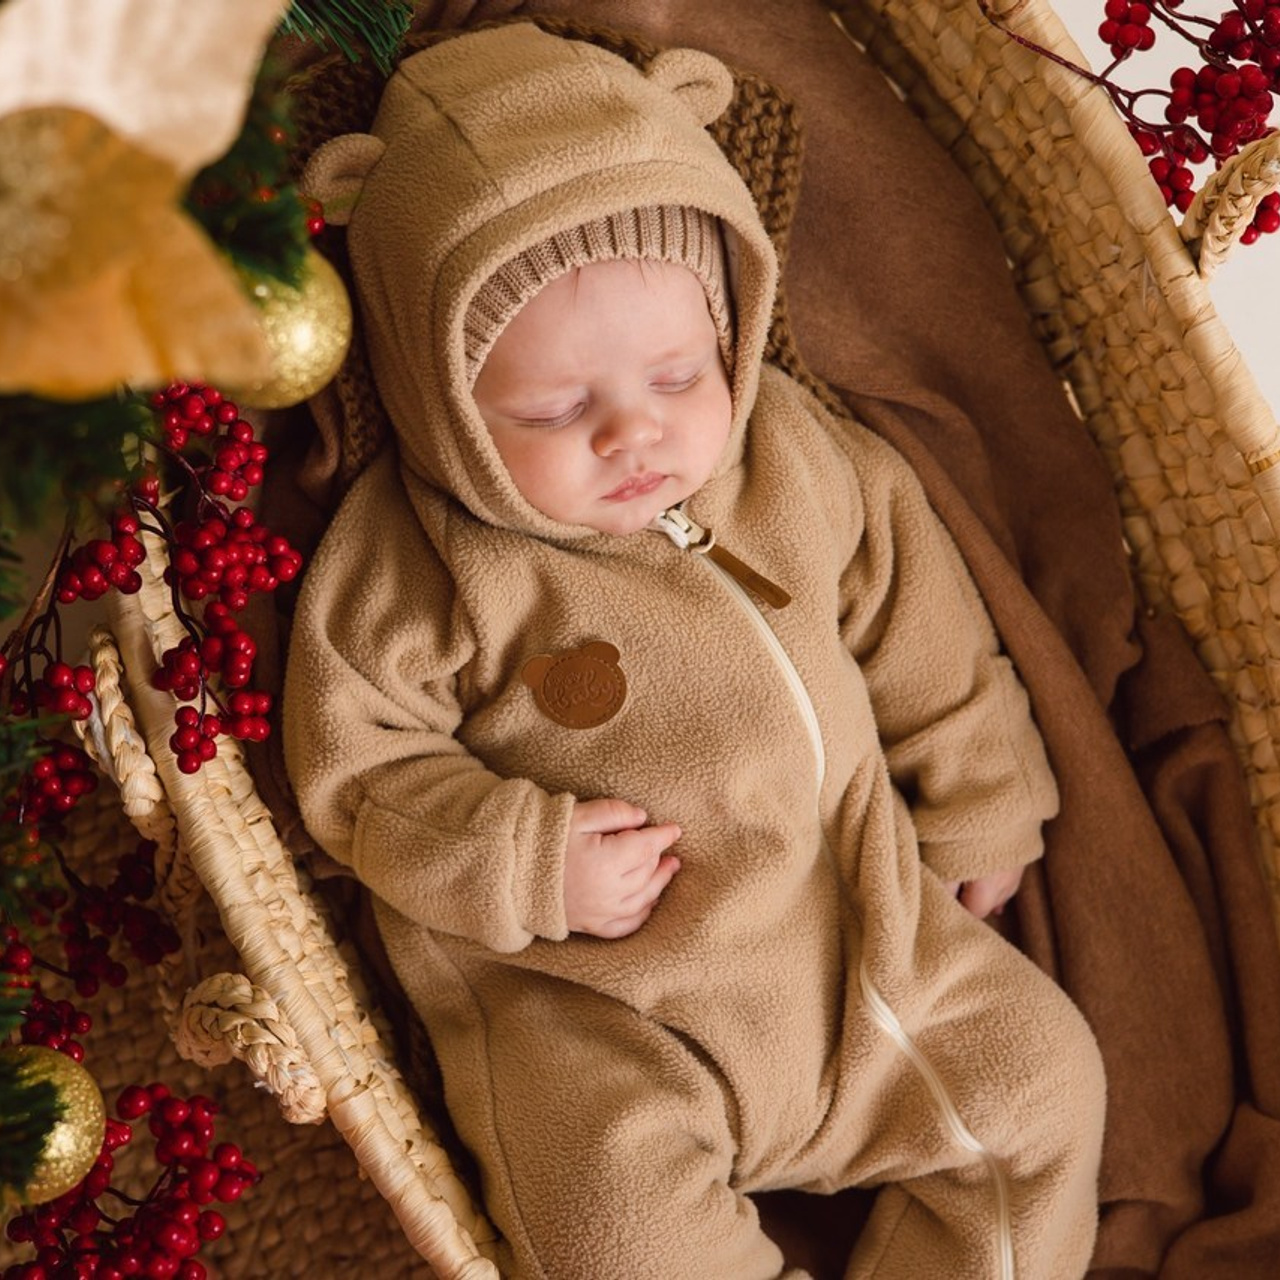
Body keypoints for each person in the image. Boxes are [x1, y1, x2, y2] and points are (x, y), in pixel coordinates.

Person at [284, 21, 1106, 1279]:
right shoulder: (417, 559)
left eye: (676, 374)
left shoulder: (793, 458)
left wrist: (982, 794)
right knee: (609, 1225)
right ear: (433, 398)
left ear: (731, 325)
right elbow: (354, 772)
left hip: (868, 948)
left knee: (1042, 1084)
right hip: (604, 1010)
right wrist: (521, 854)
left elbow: (916, 619)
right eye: (556, 409)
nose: (634, 434)